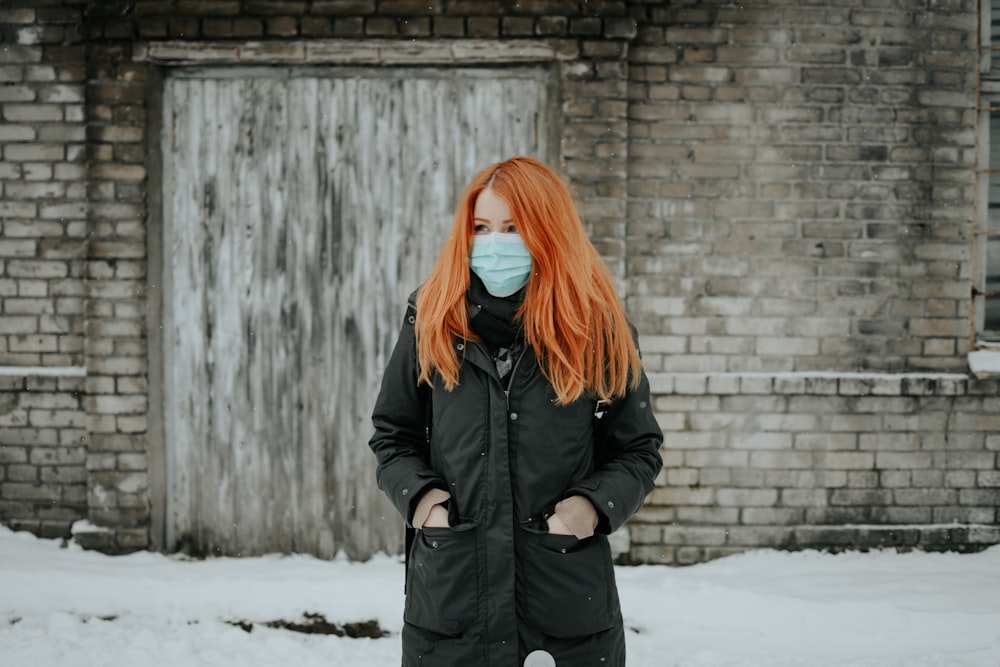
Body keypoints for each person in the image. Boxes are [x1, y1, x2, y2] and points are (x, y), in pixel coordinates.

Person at [369, 156, 663, 667]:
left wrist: (585, 510)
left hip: (566, 612)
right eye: (481, 228)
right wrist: (424, 504)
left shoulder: (598, 329)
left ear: (547, 231)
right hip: (450, 610)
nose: (495, 244)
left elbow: (638, 449)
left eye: (513, 228)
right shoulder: (431, 319)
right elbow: (393, 435)